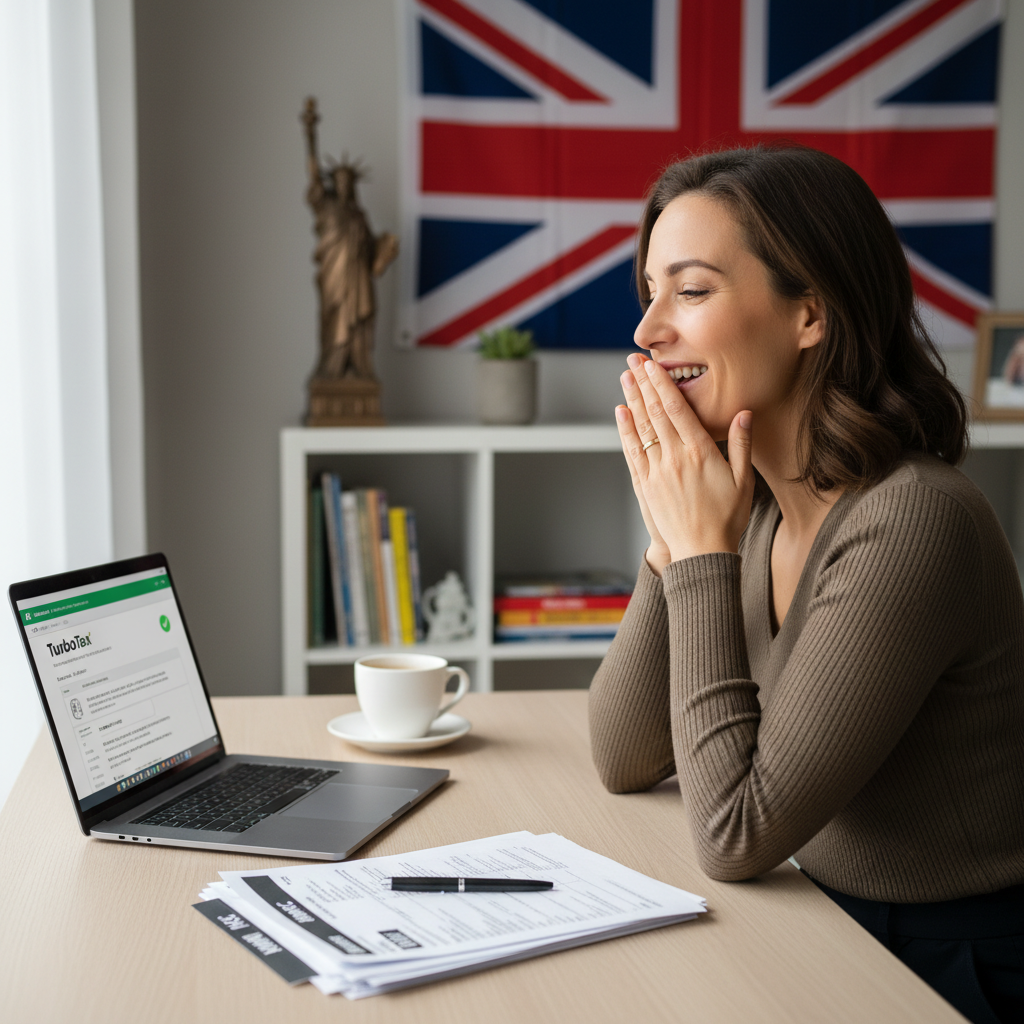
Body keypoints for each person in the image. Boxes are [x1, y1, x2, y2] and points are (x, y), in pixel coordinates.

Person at [588, 146, 1024, 1024]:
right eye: (649, 293)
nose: (647, 331)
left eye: (693, 290)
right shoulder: (751, 506)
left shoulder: (912, 522)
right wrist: (675, 541)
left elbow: (734, 834)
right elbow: (624, 754)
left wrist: (702, 551)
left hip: (950, 966)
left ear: (809, 316)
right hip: (818, 916)